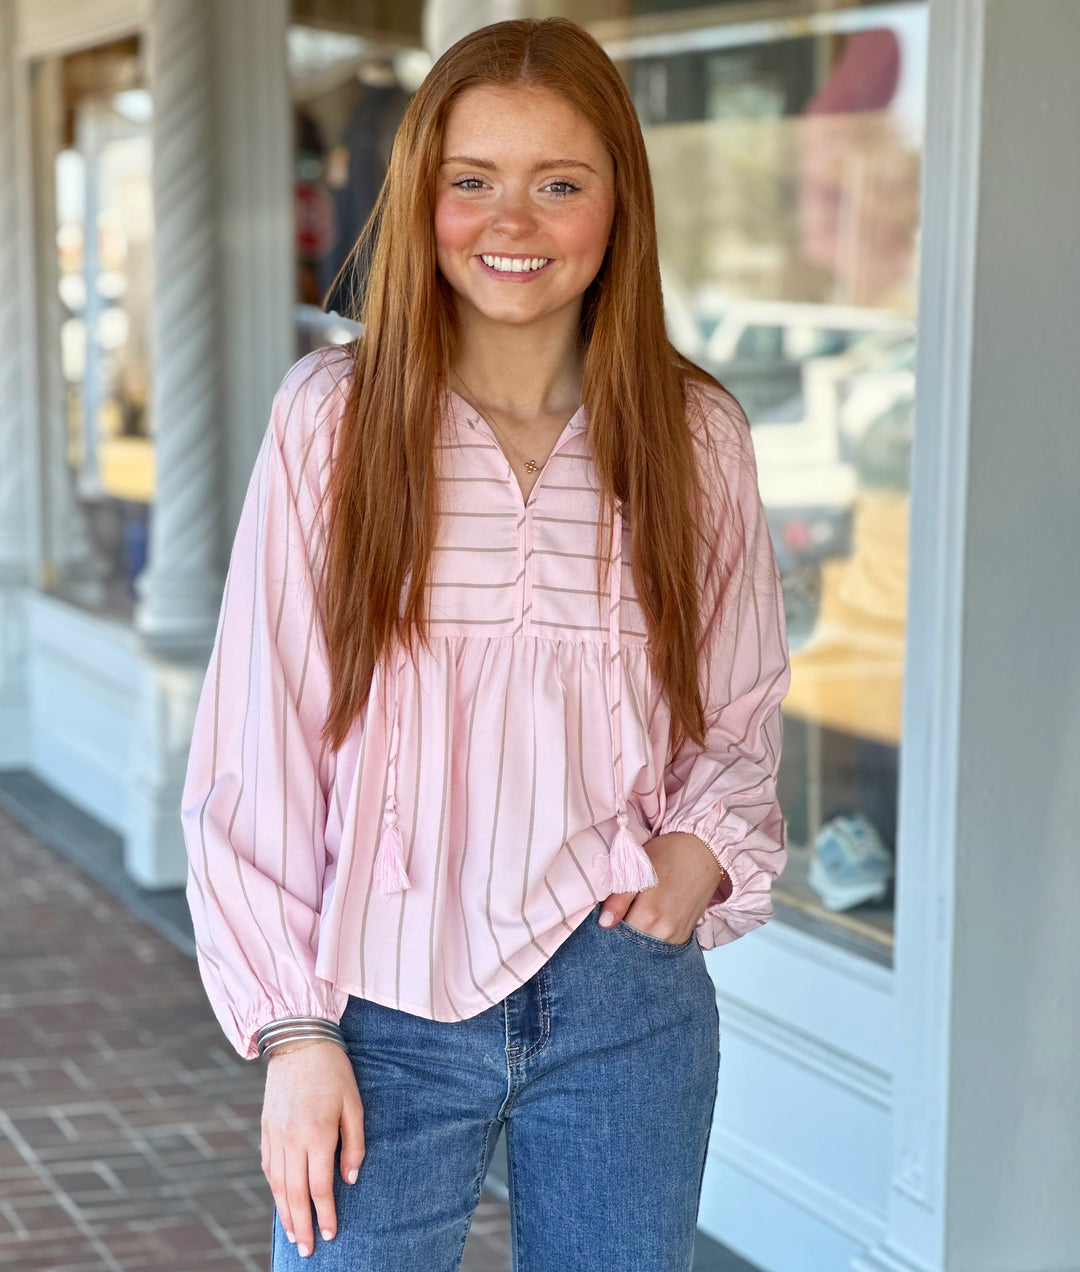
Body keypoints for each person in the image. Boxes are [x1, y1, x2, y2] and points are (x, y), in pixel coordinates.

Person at [180, 17, 790, 1272]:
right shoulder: (333, 423)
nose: (512, 223)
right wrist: (293, 1035)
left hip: (624, 994)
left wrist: (696, 856)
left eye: (559, 184)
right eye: (473, 181)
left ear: (618, 206)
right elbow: (259, 745)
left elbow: (738, 710)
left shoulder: (692, 436)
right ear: (422, 198)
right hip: (377, 1006)